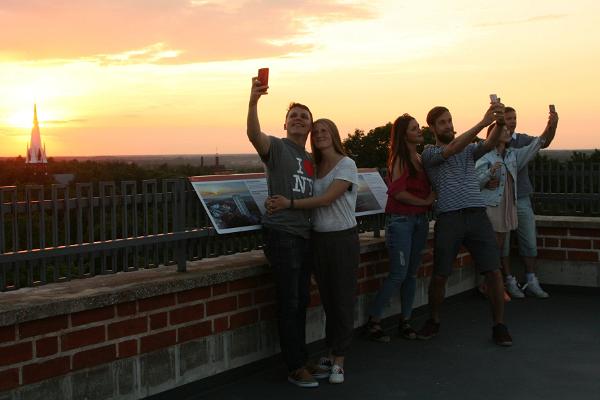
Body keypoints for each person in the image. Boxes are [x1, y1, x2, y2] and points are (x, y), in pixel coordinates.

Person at [268, 118, 359, 384]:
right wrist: (274, 200)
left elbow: (327, 199)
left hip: (342, 239)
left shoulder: (347, 164)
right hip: (317, 239)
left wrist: (288, 204)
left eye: (324, 131)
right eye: (316, 131)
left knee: (342, 299)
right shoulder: (314, 167)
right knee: (329, 300)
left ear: (334, 134)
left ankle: (340, 359)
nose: (319, 135)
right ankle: (331, 353)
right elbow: (292, 185)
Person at [418, 102, 514, 346]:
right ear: (432, 128)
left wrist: (499, 121)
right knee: (440, 274)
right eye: (442, 122)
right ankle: (434, 319)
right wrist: (483, 123)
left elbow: (490, 143)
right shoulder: (429, 153)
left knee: (493, 271)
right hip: (449, 218)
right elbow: (450, 150)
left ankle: (499, 326)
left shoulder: (468, 149)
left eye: (450, 120)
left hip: (477, 216)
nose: (448, 125)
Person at [246, 75, 318, 387]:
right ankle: (294, 366)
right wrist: (253, 100)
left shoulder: (310, 159)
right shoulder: (277, 148)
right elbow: (253, 134)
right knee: (289, 300)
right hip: (282, 235)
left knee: (302, 299)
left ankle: (300, 357)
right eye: (293, 116)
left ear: (310, 127)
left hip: (305, 235)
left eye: (304, 116)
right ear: (285, 125)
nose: (299, 119)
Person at [364, 114, 435, 343]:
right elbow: (397, 192)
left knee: (411, 274)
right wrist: (425, 202)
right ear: (404, 134)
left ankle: (405, 320)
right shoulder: (400, 160)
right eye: (414, 128)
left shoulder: (419, 158)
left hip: (419, 222)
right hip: (402, 222)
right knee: (399, 274)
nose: (419, 130)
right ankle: (374, 320)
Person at [477, 109, 558, 299]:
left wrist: (551, 125)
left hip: (514, 201)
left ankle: (522, 282)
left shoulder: (513, 153)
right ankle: (498, 284)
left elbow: (539, 143)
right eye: (505, 122)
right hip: (494, 206)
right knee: (498, 247)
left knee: (525, 241)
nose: (510, 125)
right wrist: (488, 177)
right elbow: (475, 180)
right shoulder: (485, 154)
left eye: (513, 119)